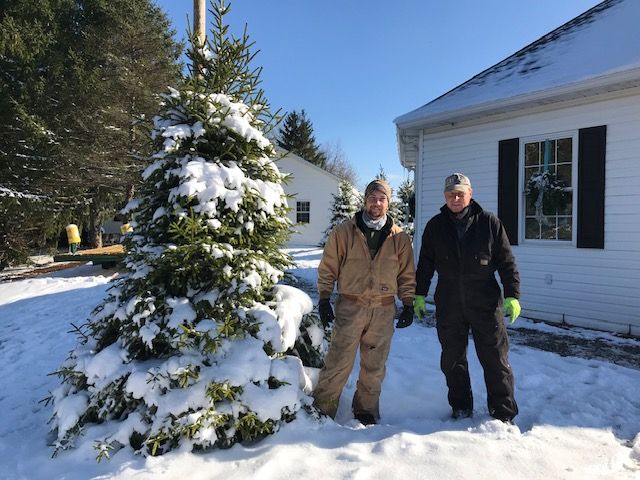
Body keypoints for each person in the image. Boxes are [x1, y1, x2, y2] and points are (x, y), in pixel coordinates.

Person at [414, 173, 521, 423]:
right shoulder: (435, 226)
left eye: (460, 193)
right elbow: (425, 265)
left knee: (495, 359)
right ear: (445, 197)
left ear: (470, 194)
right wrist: (419, 294)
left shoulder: (489, 223)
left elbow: (507, 262)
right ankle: (461, 407)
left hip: (485, 300)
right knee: (453, 360)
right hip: (449, 300)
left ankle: (503, 412)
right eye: (451, 194)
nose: (456, 197)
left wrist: (512, 295)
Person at [313, 179, 416, 425]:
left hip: (382, 309)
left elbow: (407, 274)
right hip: (351, 305)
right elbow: (328, 267)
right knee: (339, 361)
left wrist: (408, 303)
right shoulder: (344, 231)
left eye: (382, 199)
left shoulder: (399, 237)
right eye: (372, 197)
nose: (376, 203)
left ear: (388, 203)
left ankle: (366, 411)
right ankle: (322, 408)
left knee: (374, 366)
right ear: (365, 200)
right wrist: (325, 298)